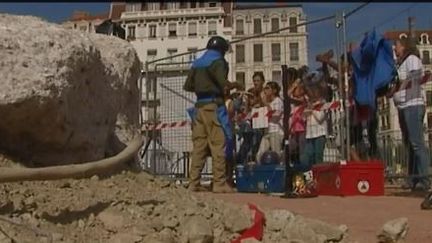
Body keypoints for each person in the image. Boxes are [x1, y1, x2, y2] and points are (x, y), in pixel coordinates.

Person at [183, 36, 242, 193]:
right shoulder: (219, 62)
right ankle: (219, 183)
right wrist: (236, 85)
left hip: (199, 109)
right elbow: (224, 84)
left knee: (199, 147)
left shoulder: (197, 62)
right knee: (218, 144)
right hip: (214, 107)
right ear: (222, 50)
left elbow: (188, 86)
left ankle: (193, 183)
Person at [387, 38, 430, 191]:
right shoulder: (402, 63)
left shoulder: (412, 59)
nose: (395, 48)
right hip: (405, 106)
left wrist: (401, 87)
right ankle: (413, 179)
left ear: (404, 46)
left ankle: (425, 180)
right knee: (410, 144)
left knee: (417, 143)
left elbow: (415, 77)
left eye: (396, 45)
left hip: (413, 104)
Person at [256, 82, 284, 162]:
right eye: (265, 88)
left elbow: (275, 114)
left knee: (276, 153)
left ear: (274, 90)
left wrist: (265, 103)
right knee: (260, 154)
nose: (265, 90)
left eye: (268, 88)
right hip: (267, 131)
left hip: (276, 131)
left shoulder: (278, 101)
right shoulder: (269, 102)